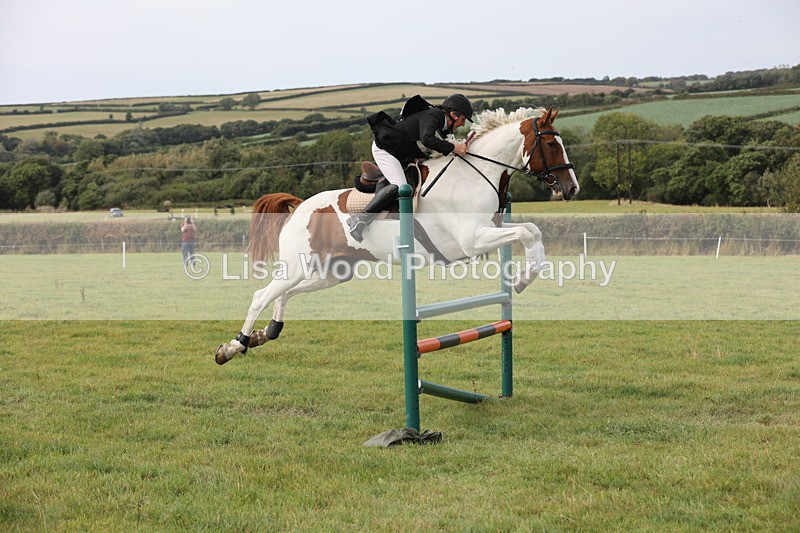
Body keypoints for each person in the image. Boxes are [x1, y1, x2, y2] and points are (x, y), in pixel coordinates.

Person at [347, 93, 474, 242]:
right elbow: (427, 139)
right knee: (402, 188)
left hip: (400, 153)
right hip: (386, 149)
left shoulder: (443, 126)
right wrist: (454, 147)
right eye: (463, 119)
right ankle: (361, 218)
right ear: (453, 114)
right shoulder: (435, 115)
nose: (462, 124)